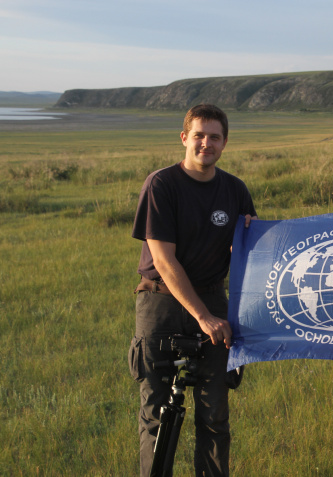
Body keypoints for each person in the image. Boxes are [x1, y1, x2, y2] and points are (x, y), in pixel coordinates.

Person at [128, 103, 256, 477]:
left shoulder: (234, 190)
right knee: (156, 415)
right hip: (161, 303)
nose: (206, 143)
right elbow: (164, 261)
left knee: (214, 413)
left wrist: (248, 238)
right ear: (184, 138)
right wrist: (204, 317)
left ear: (225, 143)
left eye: (214, 136)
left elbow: (248, 255)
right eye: (198, 135)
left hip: (214, 299)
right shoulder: (162, 184)